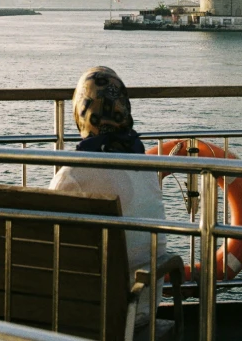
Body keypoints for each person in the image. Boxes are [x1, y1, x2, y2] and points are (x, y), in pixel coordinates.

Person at [49, 66, 166, 327]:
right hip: (140, 306)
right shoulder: (146, 168)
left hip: (82, 309)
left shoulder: (71, 176)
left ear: (81, 113)